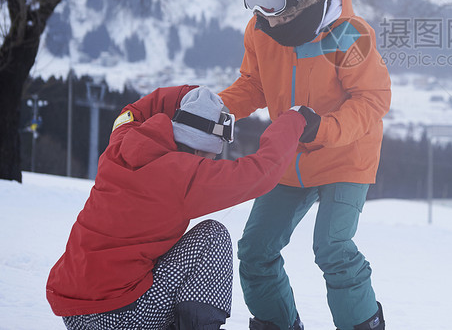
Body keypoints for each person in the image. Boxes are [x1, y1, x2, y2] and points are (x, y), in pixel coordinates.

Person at [46, 85, 317, 330]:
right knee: (213, 236)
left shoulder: (120, 143)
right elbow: (262, 172)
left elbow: (132, 111)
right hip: (121, 315)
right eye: (215, 152)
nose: (214, 159)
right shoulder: (186, 176)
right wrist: (295, 119)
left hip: (75, 313)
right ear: (201, 151)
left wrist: (190, 95)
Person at [220, 0, 391, 330]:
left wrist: (323, 128)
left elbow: (372, 99)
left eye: (275, 3)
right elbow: (254, 84)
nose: (266, 13)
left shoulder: (349, 32)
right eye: (254, 0)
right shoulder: (260, 30)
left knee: (333, 250)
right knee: (255, 251)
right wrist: (218, 108)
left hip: (346, 155)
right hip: (289, 155)